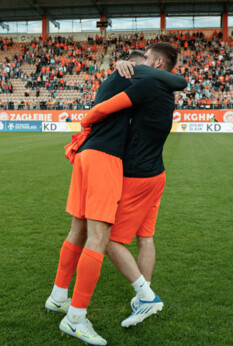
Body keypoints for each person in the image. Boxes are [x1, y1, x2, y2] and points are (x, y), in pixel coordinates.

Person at [45, 45, 186, 346]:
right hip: (105, 159)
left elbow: (174, 80)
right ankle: (76, 318)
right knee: (101, 237)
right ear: (132, 67)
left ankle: (58, 297)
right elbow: (177, 81)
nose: (142, 68)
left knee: (79, 229)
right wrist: (87, 119)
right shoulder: (139, 78)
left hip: (87, 155)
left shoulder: (123, 79)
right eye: (141, 63)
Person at [81, 43, 182, 328]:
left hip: (137, 175)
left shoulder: (147, 83)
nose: (140, 63)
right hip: (156, 174)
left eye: (146, 59)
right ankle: (144, 296)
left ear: (158, 63)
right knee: (145, 237)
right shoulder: (164, 87)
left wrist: (85, 122)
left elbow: (105, 107)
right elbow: (180, 80)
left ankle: (146, 297)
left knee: (110, 239)